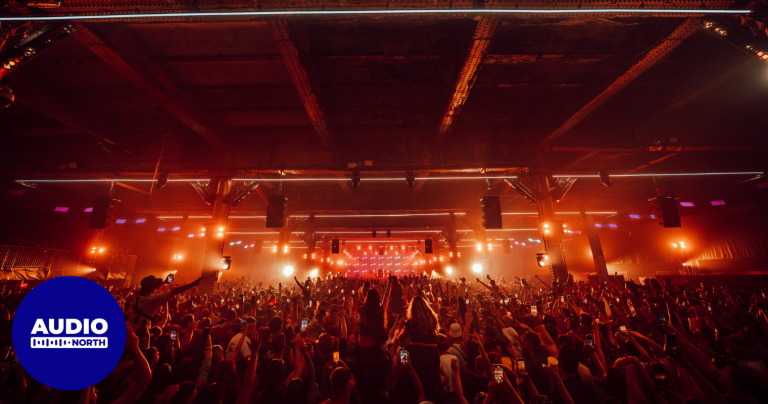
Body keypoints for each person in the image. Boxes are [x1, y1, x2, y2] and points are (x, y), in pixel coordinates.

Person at [128, 275, 202, 329]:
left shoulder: (137, 299)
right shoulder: (152, 299)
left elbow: (152, 291)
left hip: (129, 329)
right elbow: (174, 292)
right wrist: (192, 284)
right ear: (152, 289)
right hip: (138, 333)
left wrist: (164, 282)